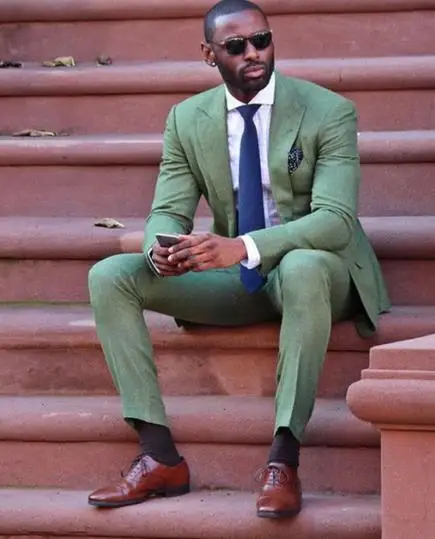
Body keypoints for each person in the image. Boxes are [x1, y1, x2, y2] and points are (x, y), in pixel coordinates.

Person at [87, 0, 390, 519]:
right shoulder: (188, 119)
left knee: (302, 267)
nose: (253, 53)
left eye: (262, 40)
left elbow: (336, 220)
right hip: (239, 276)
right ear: (210, 55)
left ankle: (284, 460)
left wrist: (244, 247)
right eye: (236, 45)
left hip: (321, 271)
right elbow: (168, 209)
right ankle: (159, 456)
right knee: (110, 276)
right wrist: (161, 251)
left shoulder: (327, 110)